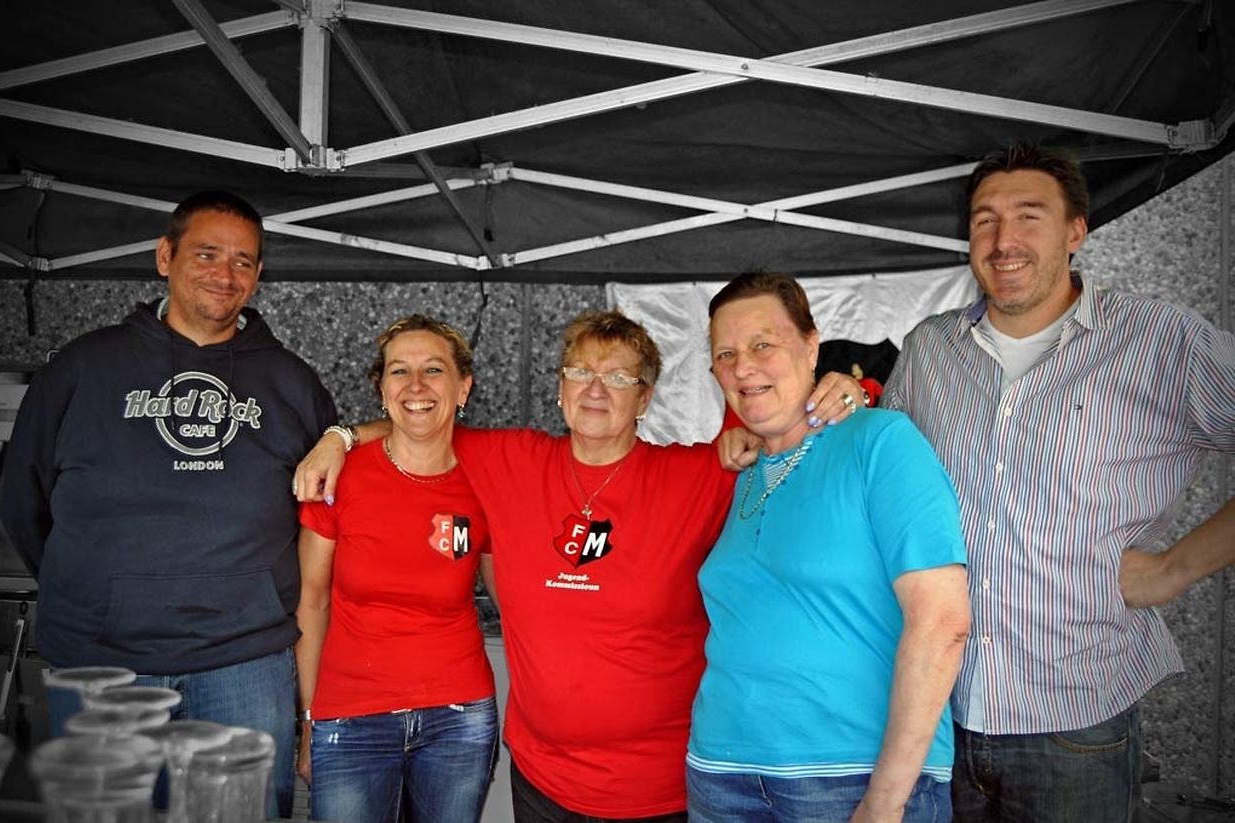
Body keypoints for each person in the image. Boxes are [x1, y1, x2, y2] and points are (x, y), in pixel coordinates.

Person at [294, 309, 863, 821]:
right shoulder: (511, 459)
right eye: (581, 372)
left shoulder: (697, 473)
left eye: (619, 378)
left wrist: (850, 391)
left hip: (656, 790)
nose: (596, 389)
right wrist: (339, 438)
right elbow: (420, 420)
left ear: (645, 399)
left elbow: (786, 436)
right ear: (560, 389)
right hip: (543, 784)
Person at [878, 142, 1235, 822]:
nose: (1003, 240)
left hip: (1075, 724)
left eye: (1028, 215)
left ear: (1076, 231)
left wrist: (1175, 569)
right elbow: (879, 480)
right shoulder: (930, 348)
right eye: (984, 220)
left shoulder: (1160, 339)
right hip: (937, 712)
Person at [0, 190, 336, 818]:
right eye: (206, 254)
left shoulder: (293, 383)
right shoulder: (81, 369)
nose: (225, 274)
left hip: (246, 662)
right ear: (164, 256)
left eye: (243, 261)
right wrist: (95, 588)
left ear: (259, 274)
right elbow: (21, 499)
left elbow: (324, 511)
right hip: (103, 665)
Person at [688, 272, 970, 823]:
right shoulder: (745, 470)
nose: (743, 367)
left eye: (763, 345)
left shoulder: (881, 441)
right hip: (721, 772)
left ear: (811, 346)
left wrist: (887, 800)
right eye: (725, 354)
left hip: (850, 776)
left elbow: (943, 622)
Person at [295, 314, 498, 823]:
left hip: (458, 718)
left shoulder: (490, 479)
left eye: (434, 369)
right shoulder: (339, 475)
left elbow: (512, 602)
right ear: (382, 389)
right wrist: (309, 718)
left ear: (463, 387)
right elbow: (311, 602)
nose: (416, 385)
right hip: (350, 716)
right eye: (399, 371)